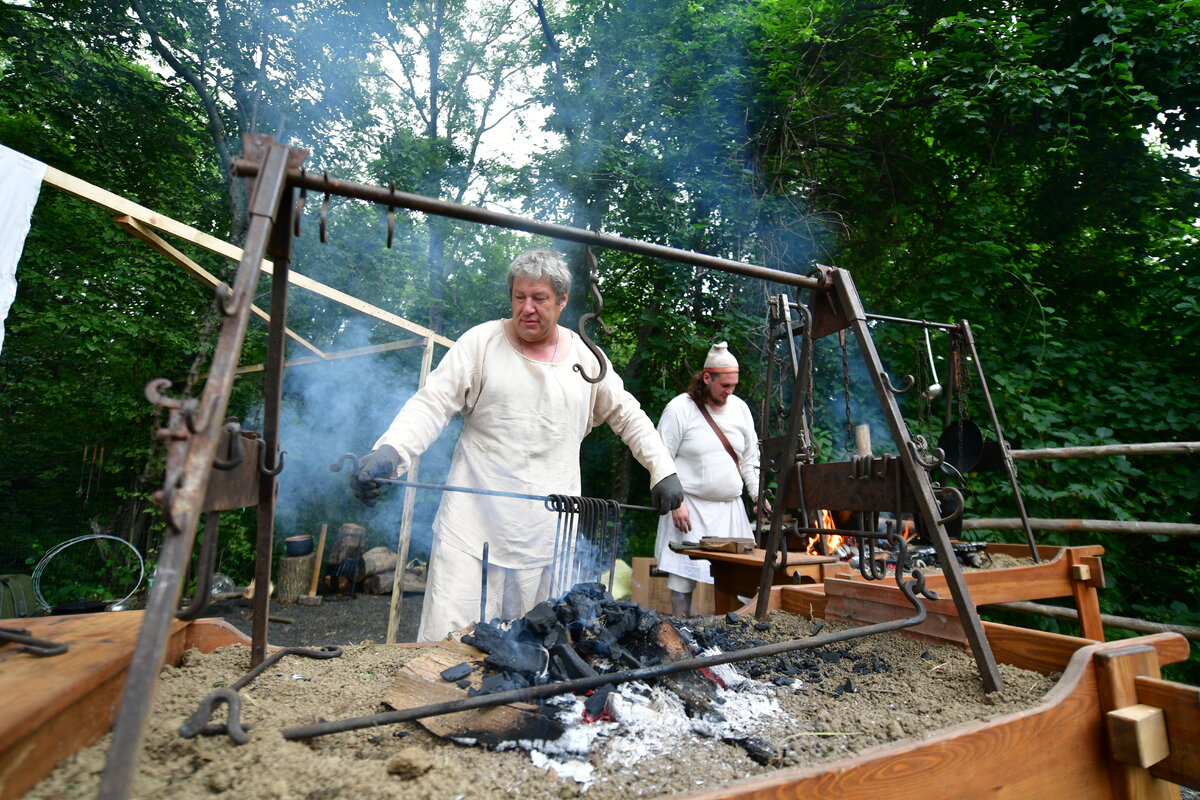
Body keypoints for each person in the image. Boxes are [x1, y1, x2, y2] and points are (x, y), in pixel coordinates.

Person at [350, 248, 683, 642]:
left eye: (539, 298)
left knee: (535, 654)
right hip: (471, 531)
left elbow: (628, 415)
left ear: (561, 301)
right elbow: (432, 403)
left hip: (548, 536)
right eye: (519, 297)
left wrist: (662, 469)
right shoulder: (480, 343)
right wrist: (390, 453)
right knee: (447, 647)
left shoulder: (587, 358)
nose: (527, 308)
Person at [653, 342, 766, 617]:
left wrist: (756, 494)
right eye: (724, 385)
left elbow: (750, 458)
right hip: (689, 506)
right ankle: (682, 632)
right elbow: (658, 456)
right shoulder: (680, 409)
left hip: (730, 508)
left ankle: (737, 640)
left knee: (743, 579)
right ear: (707, 378)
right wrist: (675, 502)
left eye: (733, 385)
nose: (729, 391)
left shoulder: (740, 409)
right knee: (682, 579)